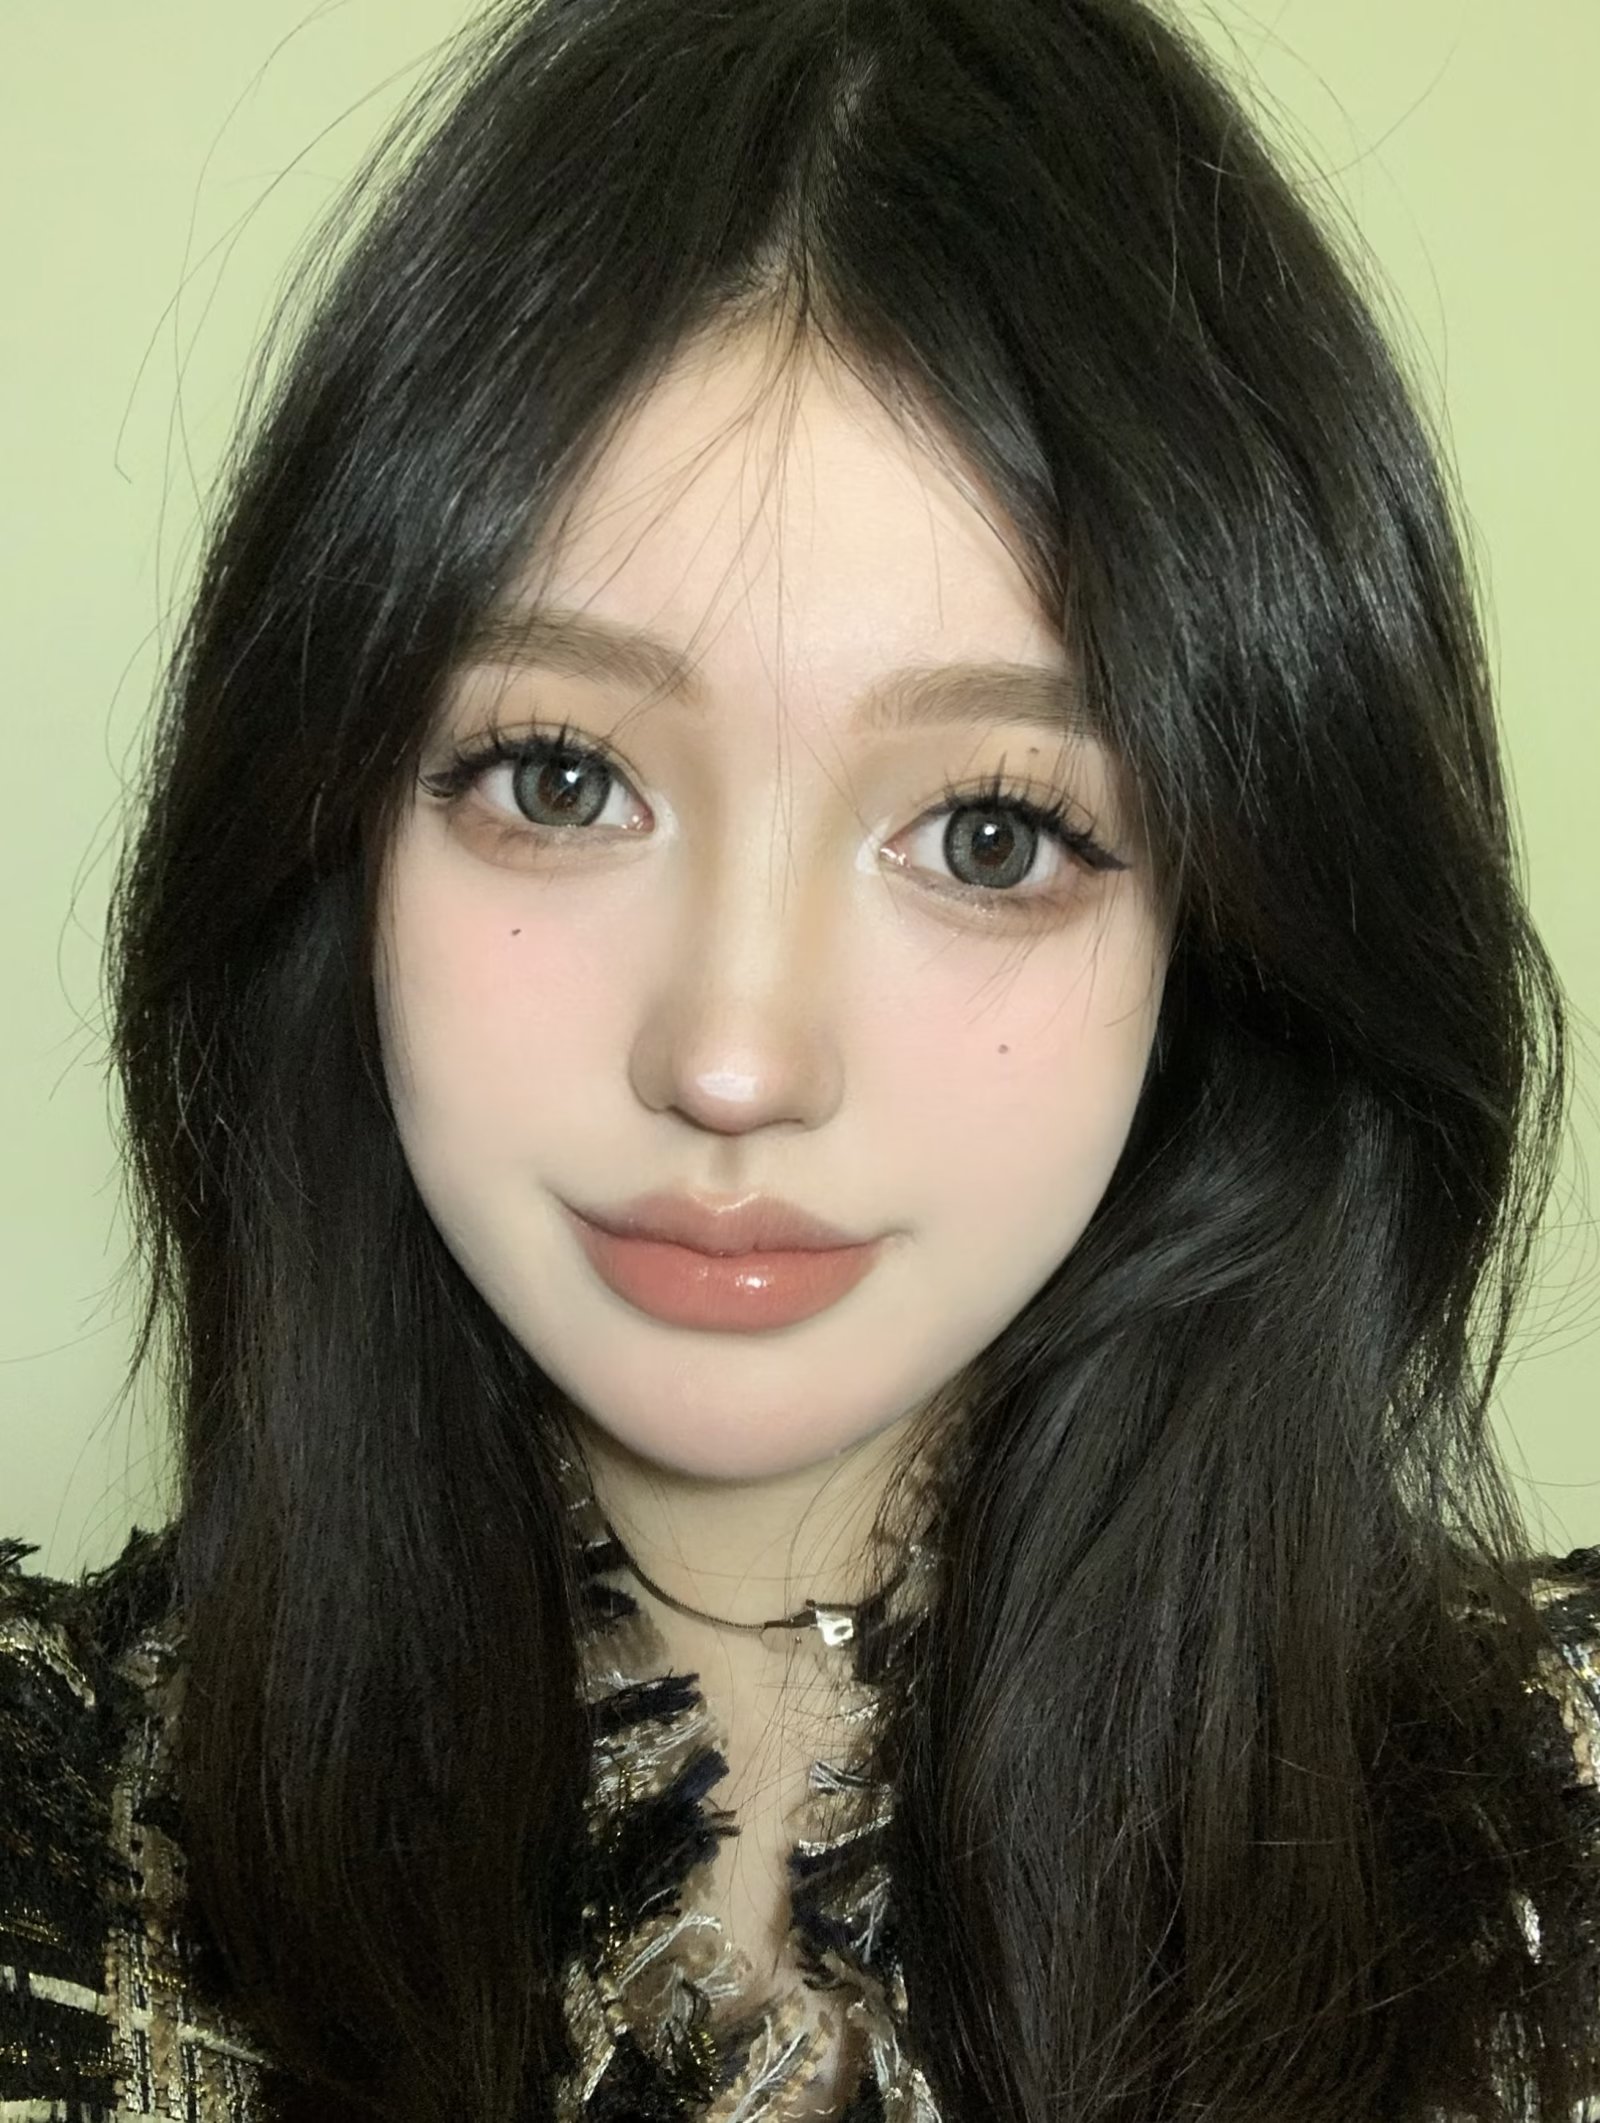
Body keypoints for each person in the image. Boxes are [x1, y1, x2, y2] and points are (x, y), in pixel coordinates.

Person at [3, 0, 1597, 2116]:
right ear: (328, 825)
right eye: (559, 779)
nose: (735, 1059)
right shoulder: (49, 1855)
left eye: (992, 834)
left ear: (1236, 926)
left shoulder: (1552, 1846)